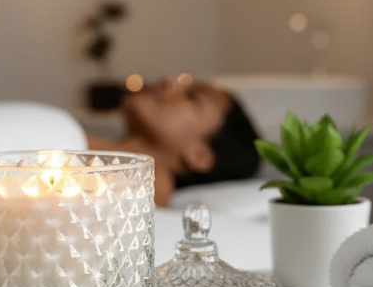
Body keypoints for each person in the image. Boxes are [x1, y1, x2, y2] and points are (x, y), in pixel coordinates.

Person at [86, 77, 261, 206]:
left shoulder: (148, 183)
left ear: (199, 156)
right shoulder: (94, 144)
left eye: (192, 96)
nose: (169, 82)